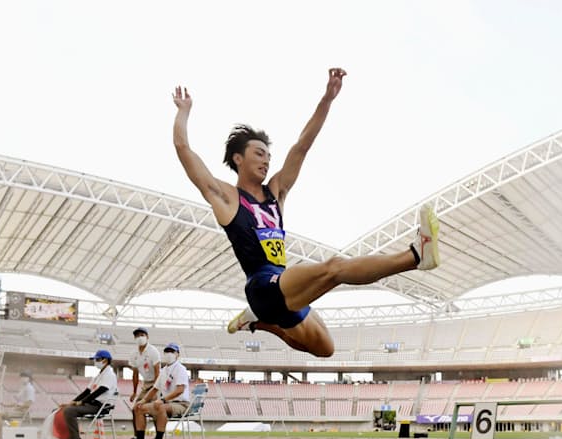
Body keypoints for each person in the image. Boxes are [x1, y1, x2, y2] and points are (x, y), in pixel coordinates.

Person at [172, 67, 440, 358]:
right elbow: (183, 147)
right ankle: (415, 256)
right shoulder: (226, 196)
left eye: (268, 155)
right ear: (238, 159)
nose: (266, 161)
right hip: (263, 286)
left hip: (285, 285)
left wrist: (327, 100)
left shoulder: (276, 191)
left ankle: (261, 324)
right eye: (258, 154)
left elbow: (301, 146)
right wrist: (184, 111)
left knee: (325, 349)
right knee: (335, 267)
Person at [121, 343, 190, 439]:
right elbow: (154, 389)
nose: (169, 354)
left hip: (181, 404)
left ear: (177, 355)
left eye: (172, 352)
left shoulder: (180, 369)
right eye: (167, 352)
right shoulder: (164, 371)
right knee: (138, 408)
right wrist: (143, 401)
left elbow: (180, 390)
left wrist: (162, 400)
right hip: (167, 403)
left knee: (160, 406)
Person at [56, 350, 118, 439]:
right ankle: (69, 438)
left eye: (97, 359)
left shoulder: (109, 374)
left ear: (105, 360)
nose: (95, 362)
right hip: (91, 404)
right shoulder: (98, 376)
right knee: (65, 409)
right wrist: (72, 402)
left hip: (101, 406)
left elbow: (100, 391)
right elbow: (87, 392)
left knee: (69, 411)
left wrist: (81, 402)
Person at [127, 327, 161, 432]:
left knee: (156, 409)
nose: (140, 338)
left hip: (156, 382)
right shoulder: (133, 354)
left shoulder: (153, 351)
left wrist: (155, 390)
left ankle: (158, 438)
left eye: (142, 335)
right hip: (146, 384)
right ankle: (137, 437)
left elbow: (158, 372)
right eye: (137, 336)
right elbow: (135, 374)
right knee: (135, 409)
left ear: (147, 337)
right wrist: (134, 392)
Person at [0, 371, 36, 439]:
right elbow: (18, 403)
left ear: (29, 378)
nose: (22, 379)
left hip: (21, 412)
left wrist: (18, 407)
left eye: (25, 377)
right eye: (21, 377)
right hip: (17, 410)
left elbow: (28, 404)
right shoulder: (24, 388)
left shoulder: (30, 389)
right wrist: (6, 405)